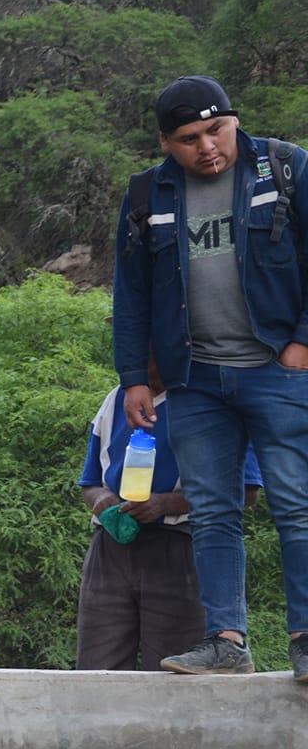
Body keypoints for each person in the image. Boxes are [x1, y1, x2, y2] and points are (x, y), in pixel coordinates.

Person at [112, 76, 308, 681]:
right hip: (194, 380)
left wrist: (301, 343)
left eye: (216, 130)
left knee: (296, 506)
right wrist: (133, 377)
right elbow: (132, 293)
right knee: (213, 512)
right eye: (189, 138)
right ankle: (226, 641)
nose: (207, 147)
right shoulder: (147, 192)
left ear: (234, 120)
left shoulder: (285, 168)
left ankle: (305, 640)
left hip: (276, 370)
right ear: (166, 143)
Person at [77, 369, 262, 671]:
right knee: (97, 666)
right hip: (110, 548)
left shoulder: (215, 401)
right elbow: (90, 482)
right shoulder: (116, 400)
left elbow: (246, 491)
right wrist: (101, 499)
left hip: (180, 545)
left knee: (175, 667)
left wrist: (166, 504)